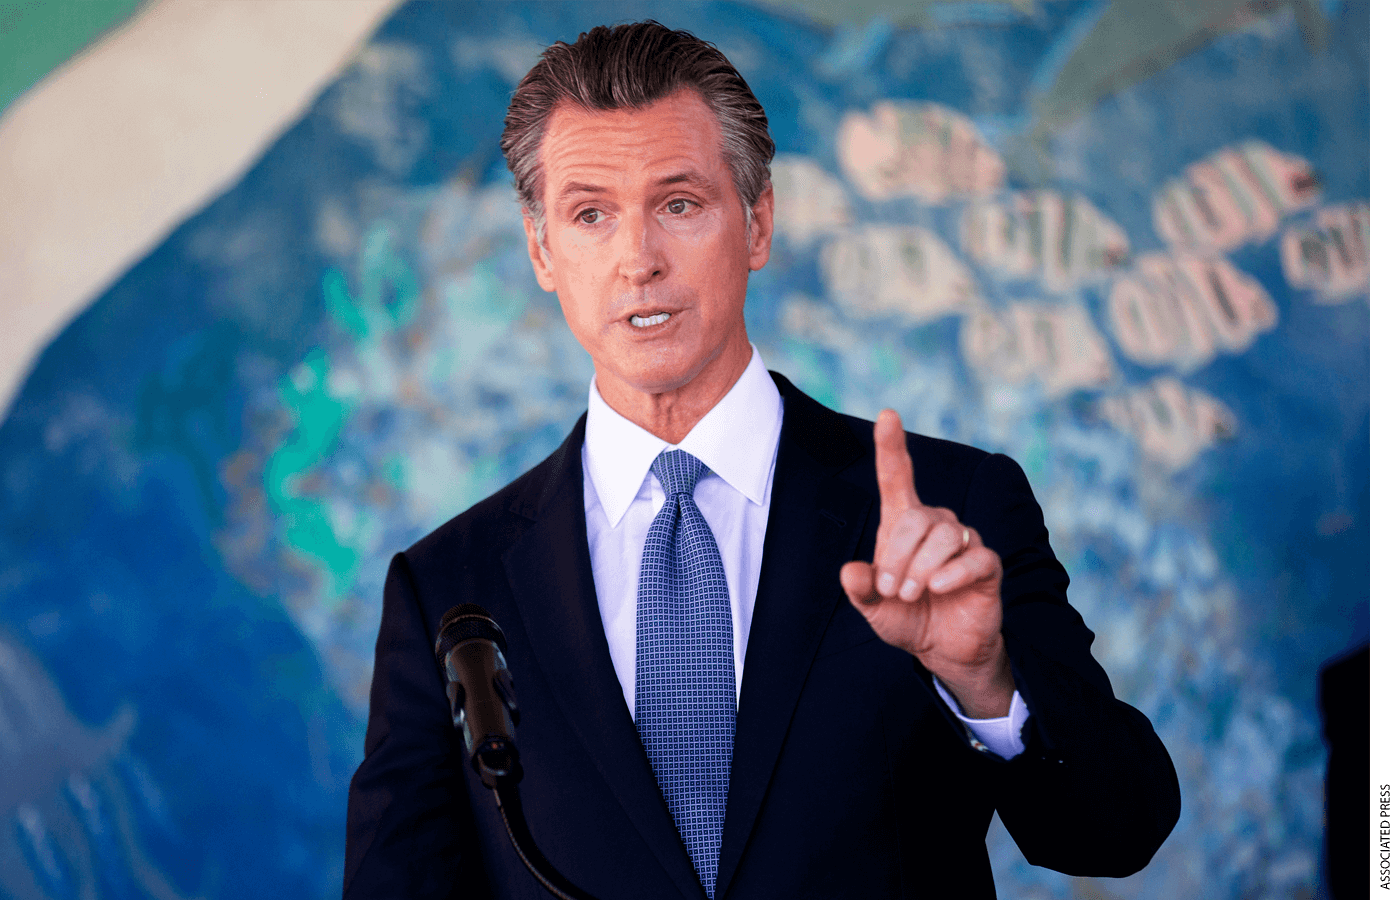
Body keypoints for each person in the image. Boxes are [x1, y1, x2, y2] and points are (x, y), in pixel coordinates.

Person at [344, 21, 1179, 900]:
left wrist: (984, 678)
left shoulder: (954, 508)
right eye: (591, 214)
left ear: (759, 221)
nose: (638, 261)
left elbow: (1120, 831)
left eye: (679, 204)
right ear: (542, 248)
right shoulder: (447, 588)